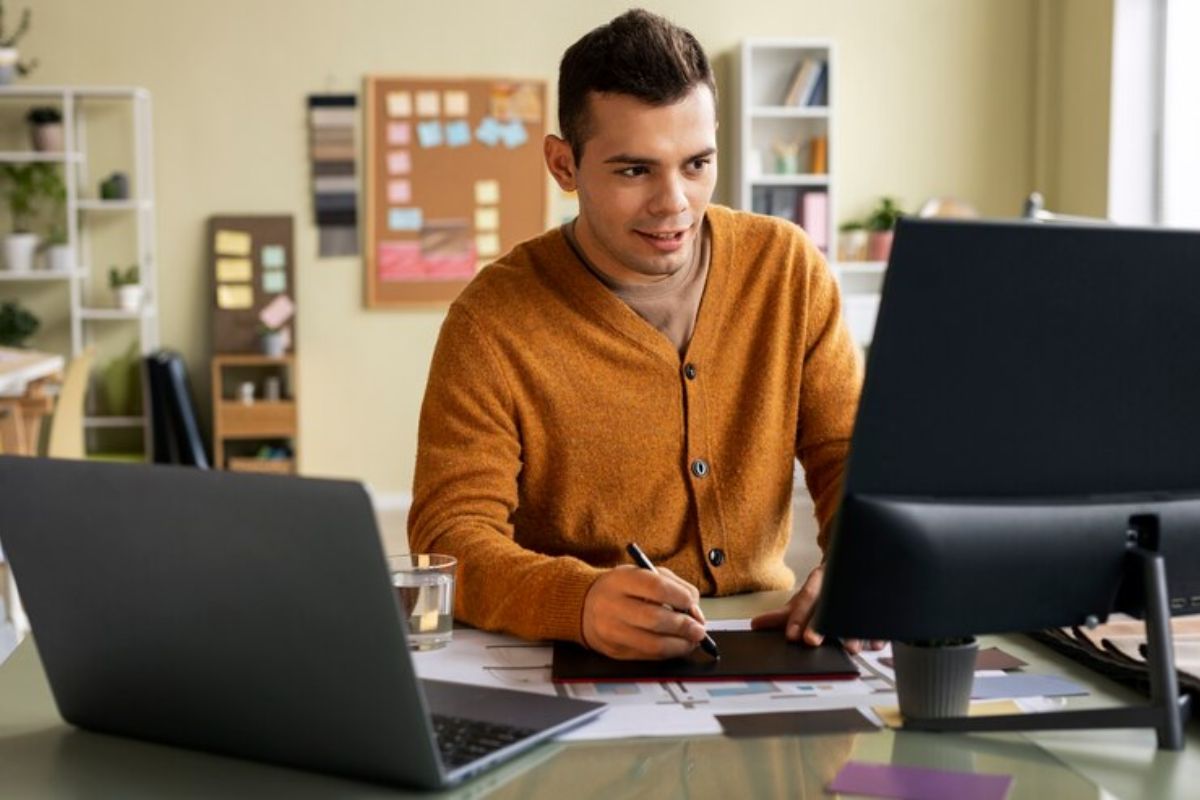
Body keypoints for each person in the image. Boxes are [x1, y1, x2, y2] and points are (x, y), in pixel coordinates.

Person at [409, 9, 865, 660]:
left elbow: (849, 455)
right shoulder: (492, 321)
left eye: (696, 163)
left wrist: (858, 564)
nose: (673, 202)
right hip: (581, 650)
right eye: (634, 171)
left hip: (777, 638)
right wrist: (579, 600)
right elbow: (449, 536)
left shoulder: (788, 269)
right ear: (563, 165)